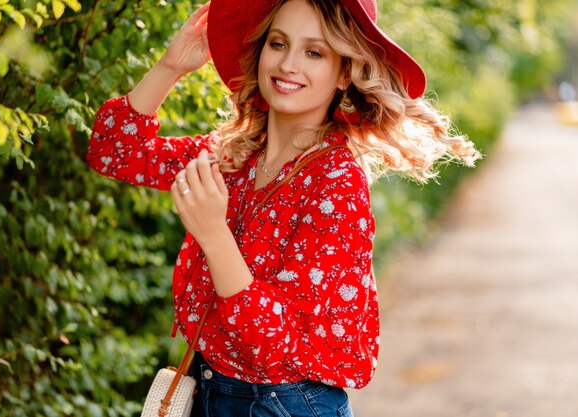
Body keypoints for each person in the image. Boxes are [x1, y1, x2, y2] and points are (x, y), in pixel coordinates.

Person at [86, 0, 480, 415]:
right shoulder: (233, 158)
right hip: (210, 390)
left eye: (314, 52)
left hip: (285, 403)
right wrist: (171, 66)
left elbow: (274, 348)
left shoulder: (336, 184)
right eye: (278, 44)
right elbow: (113, 150)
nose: (288, 64)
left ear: (345, 71)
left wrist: (214, 234)